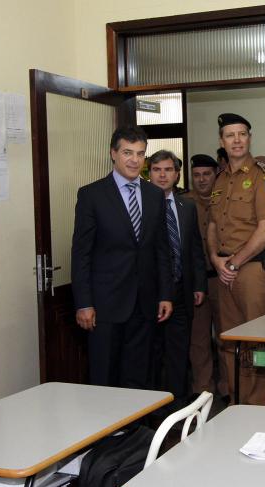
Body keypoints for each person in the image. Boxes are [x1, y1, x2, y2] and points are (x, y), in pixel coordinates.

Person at [70, 125, 173, 389]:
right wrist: (84, 302)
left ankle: (136, 418)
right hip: (105, 305)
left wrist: (165, 294)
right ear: (113, 154)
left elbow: (162, 249)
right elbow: (81, 253)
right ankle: (106, 419)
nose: (135, 160)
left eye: (140, 153)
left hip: (145, 304)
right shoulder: (92, 195)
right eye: (128, 153)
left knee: (139, 376)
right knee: (105, 376)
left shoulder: (154, 194)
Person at [206, 113, 265, 405]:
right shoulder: (220, 179)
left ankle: (258, 408)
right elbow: (212, 225)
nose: (236, 140)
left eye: (242, 134)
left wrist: (234, 263)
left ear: (249, 138)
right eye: (230, 135)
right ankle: (238, 405)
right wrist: (215, 258)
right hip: (224, 271)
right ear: (221, 141)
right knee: (230, 342)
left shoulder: (262, 176)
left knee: (258, 342)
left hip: (252, 270)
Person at [147, 150, 207, 403]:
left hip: (182, 290)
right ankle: (152, 407)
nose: (162, 175)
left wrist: (199, 284)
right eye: (157, 170)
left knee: (179, 351)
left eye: (168, 170)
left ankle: (178, 405)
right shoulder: (141, 205)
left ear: (177, 174)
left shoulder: (187, 206)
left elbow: (195, 248)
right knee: (152, 353)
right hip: (150, 293)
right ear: (149, 174)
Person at [185, 154, 228, 398]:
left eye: (207, 174)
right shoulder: (183, 202)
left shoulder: (225, 199)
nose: (201, 179)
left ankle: (228, 388)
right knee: (199, 339)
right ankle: (203, 390)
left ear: (216, 175)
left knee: (225, 336)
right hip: (195, 282)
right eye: (197, 175)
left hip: (222, 278)